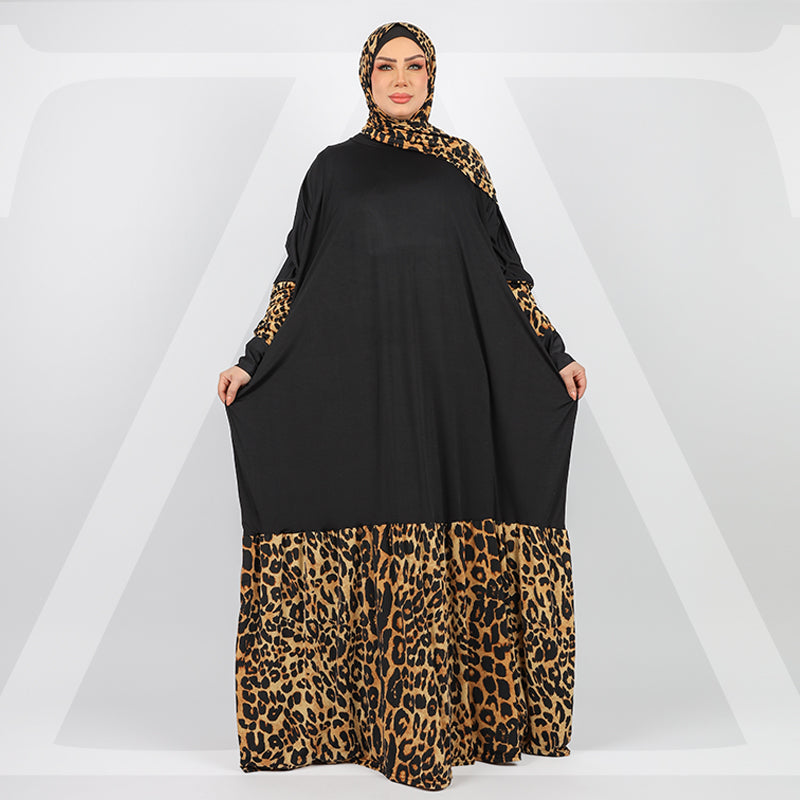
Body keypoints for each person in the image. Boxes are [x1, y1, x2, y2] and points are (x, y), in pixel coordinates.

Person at [217, 20, 587, 792]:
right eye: (386, 66)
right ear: (366, 77)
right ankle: (360, 725)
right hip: (362, 387)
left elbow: (507, 275)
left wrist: (555, 354)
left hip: (455, 383)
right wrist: (252, 362)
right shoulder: (332, 171)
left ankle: (466, 723)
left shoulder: (463, 166)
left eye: (414, 66)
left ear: (431, 78)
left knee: (453, 518)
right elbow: (295, 276)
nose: (400, 79)